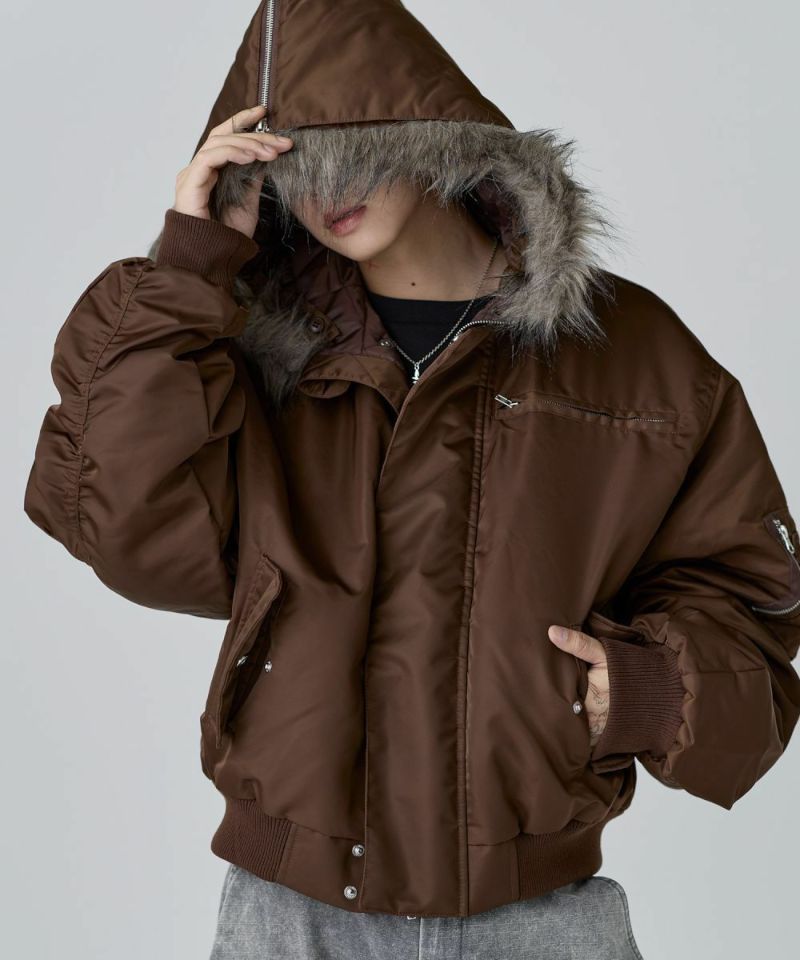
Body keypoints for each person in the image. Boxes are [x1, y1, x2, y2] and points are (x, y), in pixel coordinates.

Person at [23, 1, 800, 959]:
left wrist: (646, 686)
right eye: (295, 167)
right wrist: (191, 263)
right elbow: (116, 521)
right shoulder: (251, 351)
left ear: (435, 140)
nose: (328, 190)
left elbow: (748, 593)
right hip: (292, 918)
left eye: (358, 149)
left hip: (540, 919)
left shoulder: (629, 352)